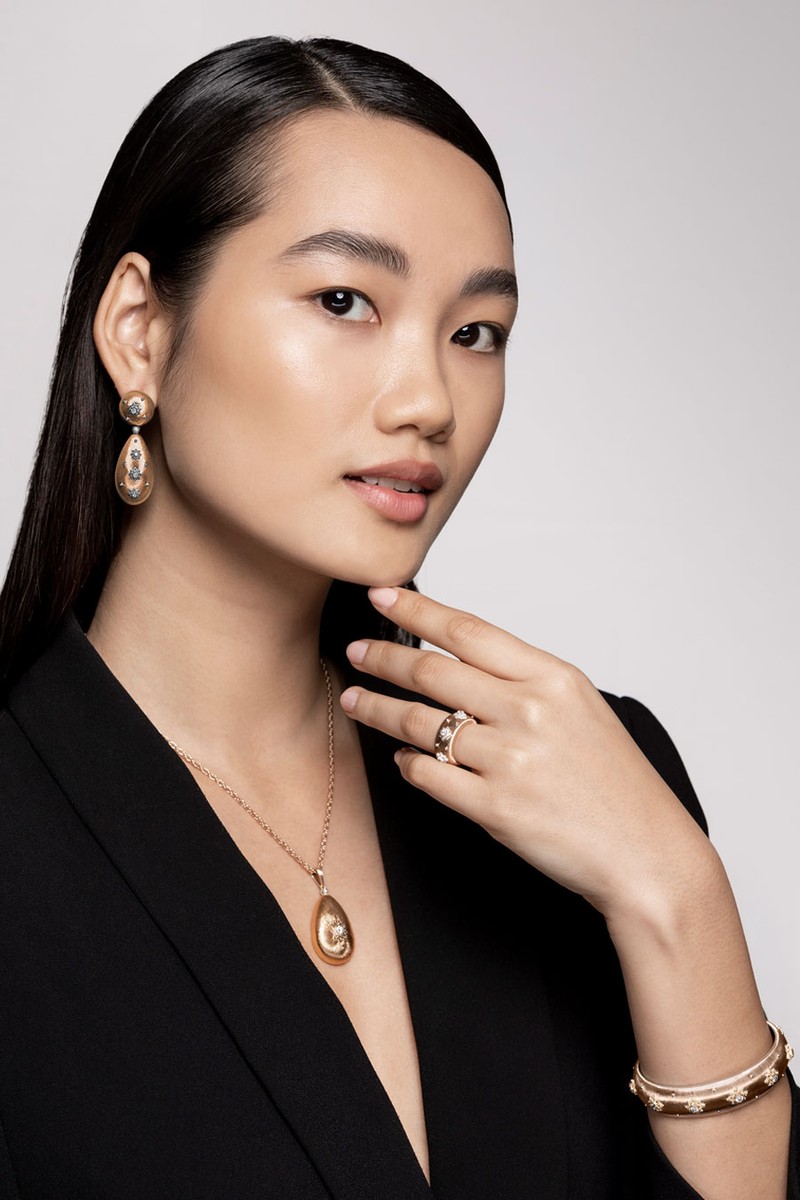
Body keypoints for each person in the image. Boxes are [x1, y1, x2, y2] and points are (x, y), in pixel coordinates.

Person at [0, 35, 795, 1200]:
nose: (428, 400)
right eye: (343, 301)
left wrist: (678, 895)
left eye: (475, 332)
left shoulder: (590, 782)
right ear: (140, 330)